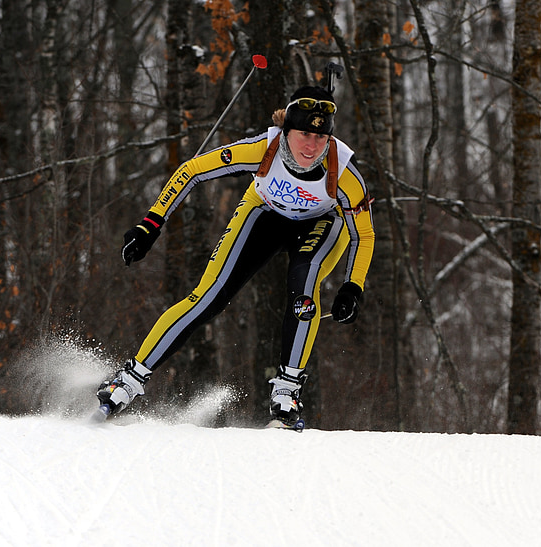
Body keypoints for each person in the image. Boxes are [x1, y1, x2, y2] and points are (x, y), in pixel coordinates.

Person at [97, 85, 375, 426]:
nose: (311, 146)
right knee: (208, 297)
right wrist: (149, 226)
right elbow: (191, 171)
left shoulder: (345, 173)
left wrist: (353, 286)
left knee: (304, 290)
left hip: (323, 222)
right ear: (287, 129)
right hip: (264, 212)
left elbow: (364, 233)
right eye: (304, 133)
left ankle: (287, 392)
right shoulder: (263, 149)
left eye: (320, 137)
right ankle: (128, 379)